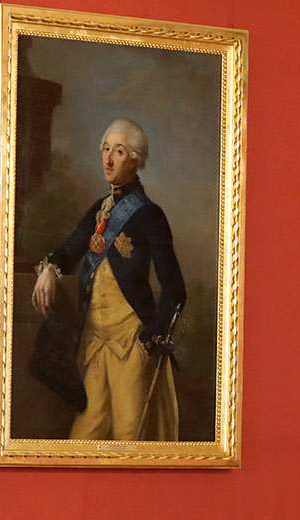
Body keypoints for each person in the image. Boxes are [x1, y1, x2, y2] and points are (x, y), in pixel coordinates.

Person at [32, 117, 187, 441]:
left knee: (129, 436)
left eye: (118, 151)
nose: (108, 159)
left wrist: (150, 339)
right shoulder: (98, 210)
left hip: (131, 346)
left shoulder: (149, 215)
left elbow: (175, 288)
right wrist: (50, 269)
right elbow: (70, 249)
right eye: (105, 149)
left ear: (134, 159)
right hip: (94, 344)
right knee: (84, 435)